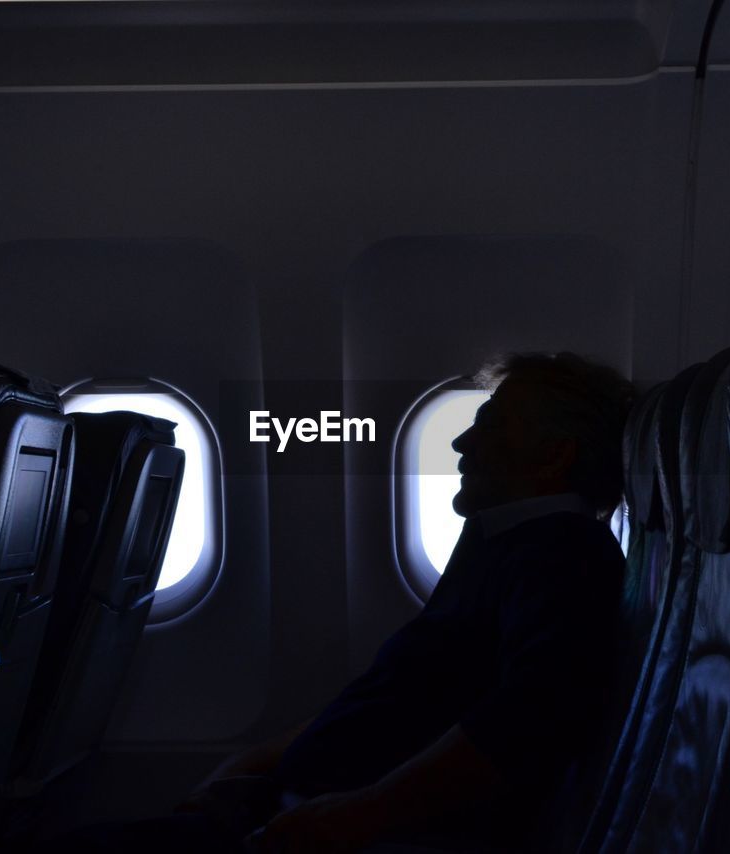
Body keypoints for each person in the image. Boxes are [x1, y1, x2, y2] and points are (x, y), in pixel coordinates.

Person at [58, 352, 633, 854]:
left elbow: (519, 730)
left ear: (554, 456)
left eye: (490, 424)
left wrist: (350, 818)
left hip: (350, 831)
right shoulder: (501, 543)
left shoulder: (566, 558)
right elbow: (404, 697)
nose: (462, 442)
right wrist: (254, 763)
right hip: (296, 807)